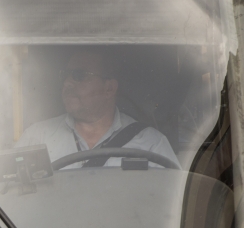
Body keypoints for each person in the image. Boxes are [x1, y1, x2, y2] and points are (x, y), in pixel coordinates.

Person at [16, 48, 179, 169]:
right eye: (65, 75)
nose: (67, 83)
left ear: (109, 89)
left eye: (79, 75)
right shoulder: (37, 138)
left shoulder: (152, 144)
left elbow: (174, 199)